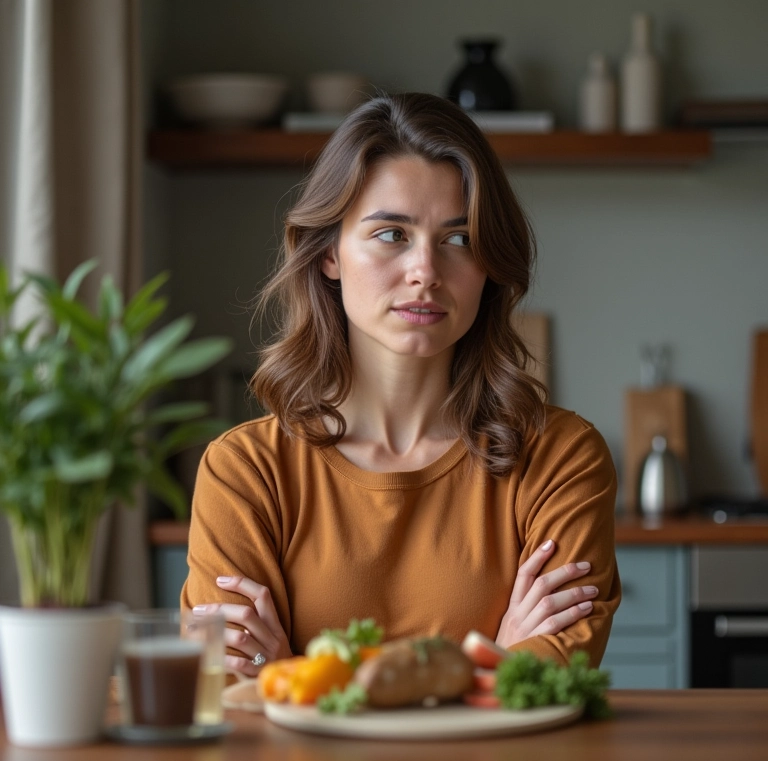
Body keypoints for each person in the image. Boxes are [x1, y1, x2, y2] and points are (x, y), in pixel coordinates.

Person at [183, 92, 621, 678]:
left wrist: (296, 674)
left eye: (459, 239)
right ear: (329, 253)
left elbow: (553, 678)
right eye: (392, 234)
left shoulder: (561, 459)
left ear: (489, 266)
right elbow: (230, 690)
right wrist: (493, 665)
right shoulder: (244, 473)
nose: (425, 272)